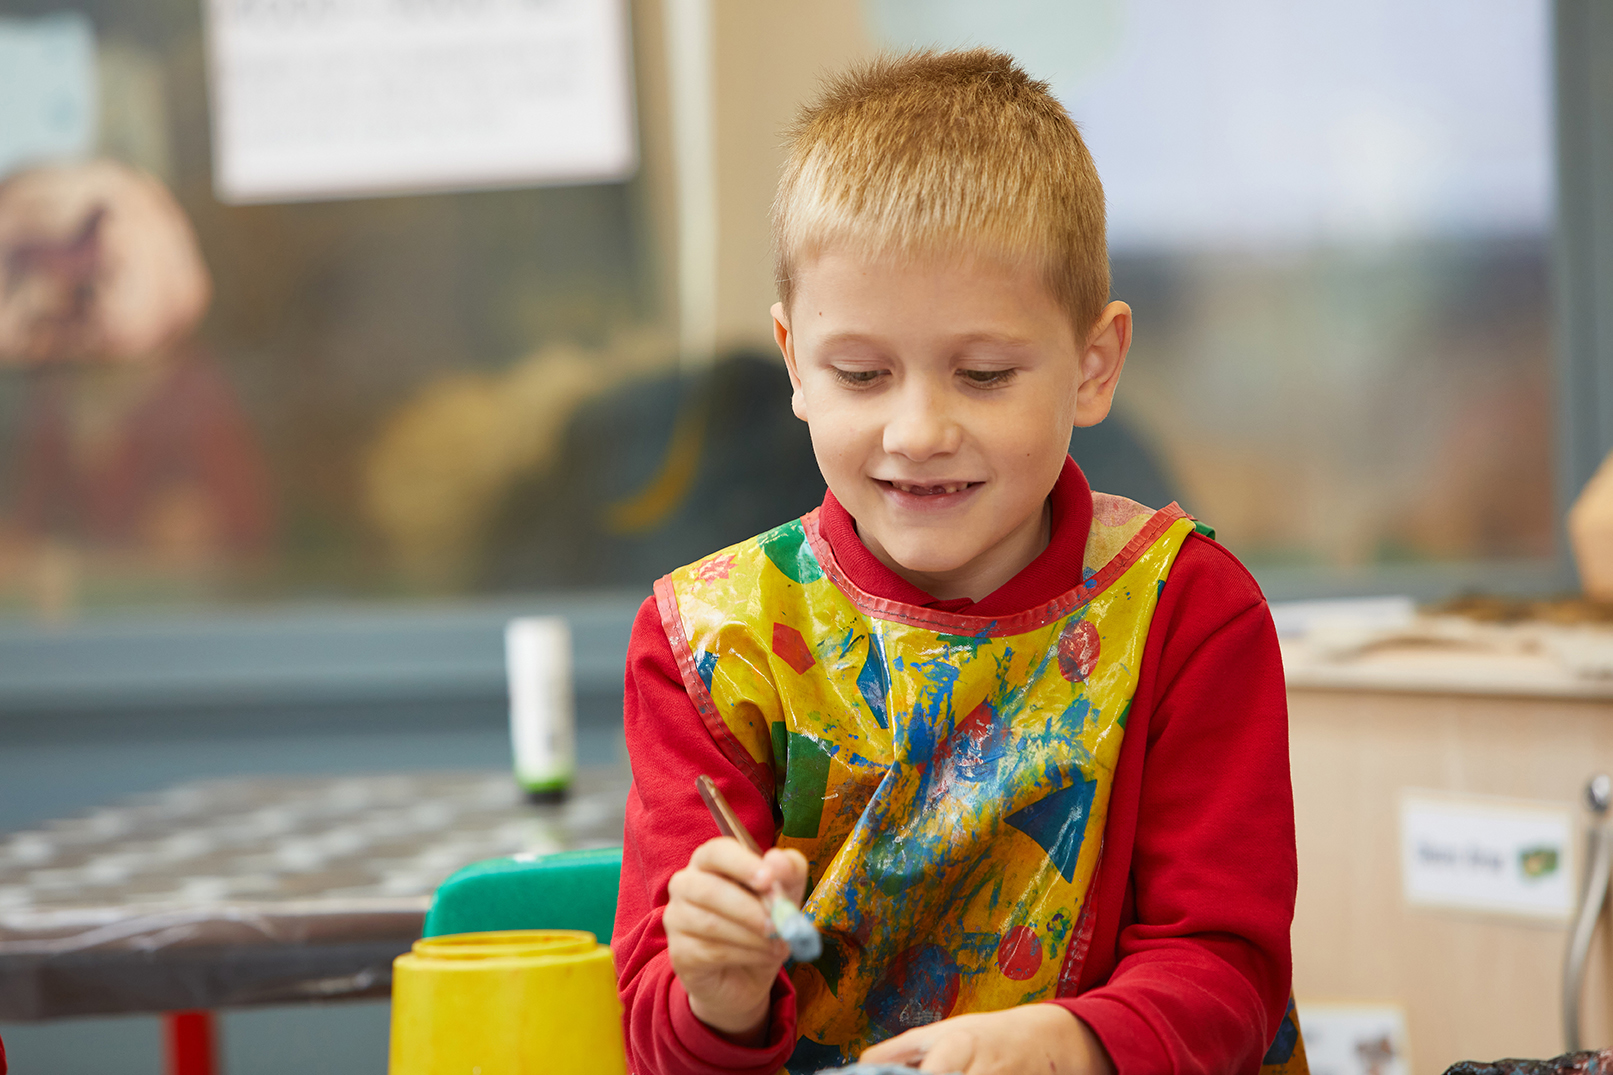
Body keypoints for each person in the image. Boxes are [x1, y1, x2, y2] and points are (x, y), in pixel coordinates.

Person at [612, 49, 1299, 1075]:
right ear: (793, 362)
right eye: (860, 373)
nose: (917, 429)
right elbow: (661, 1039)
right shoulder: (711, 644)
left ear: (1093, 366)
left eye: (981, 375)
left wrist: (1072, 1044)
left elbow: (1226, 969)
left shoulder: (1186, 610)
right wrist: (715, 991)